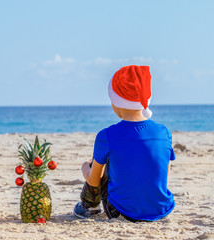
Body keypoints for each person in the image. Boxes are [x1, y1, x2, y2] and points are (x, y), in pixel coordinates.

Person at [73, 65, 175, 222]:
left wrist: (85, 168)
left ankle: (88, 206)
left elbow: (94, 180)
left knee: (100, 162)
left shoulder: (106, 135)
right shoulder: (164, 132)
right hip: (161, 209)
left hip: (121, 212)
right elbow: (163, 175)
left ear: (116, 102)